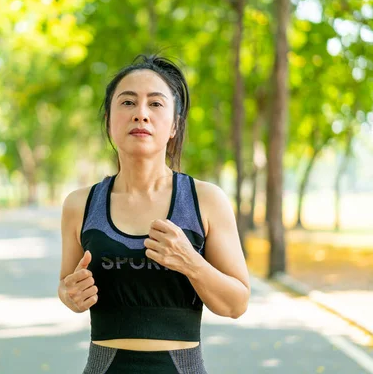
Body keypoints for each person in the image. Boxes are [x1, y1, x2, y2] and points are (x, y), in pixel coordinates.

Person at [58, 54, 250, 373]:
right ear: (109, 120)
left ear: (174, 124)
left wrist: (191, 262)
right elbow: (66, 285)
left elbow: (236, 304)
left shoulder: (206, 200)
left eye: (156, 104)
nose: (141, 114)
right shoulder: (80, 204)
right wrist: (70, 294)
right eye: (128, 102)